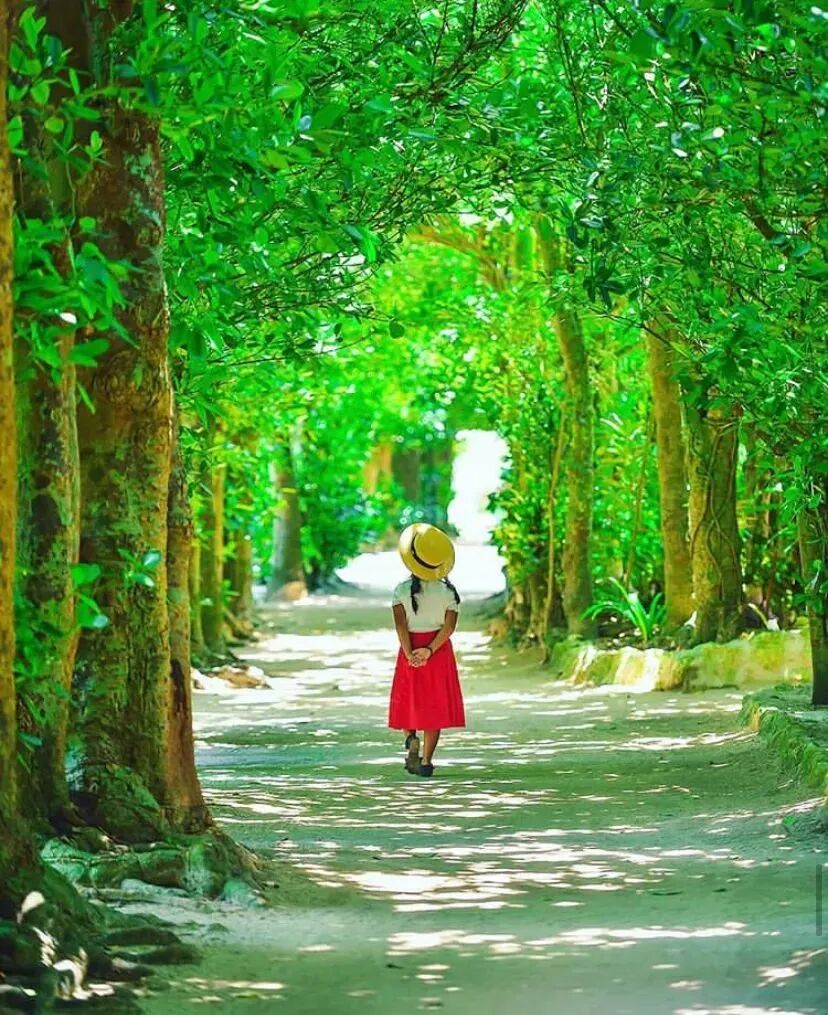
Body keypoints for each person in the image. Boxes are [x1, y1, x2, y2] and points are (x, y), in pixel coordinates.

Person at [388, 523, 466, 778]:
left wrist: (410, 653)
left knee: (408, 700)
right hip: (438, 650)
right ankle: (426, 761)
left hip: (410, 646)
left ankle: (411, 737)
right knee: (434, 706)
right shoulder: (448, 592)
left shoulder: (400, 591)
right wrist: (430, 650)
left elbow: (400, 625)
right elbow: (449, 627)